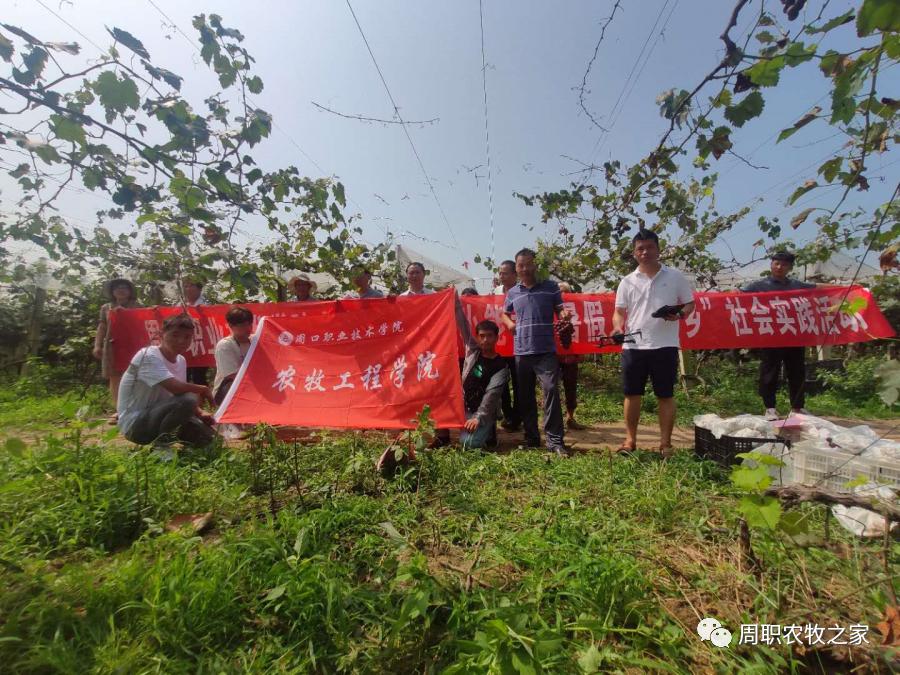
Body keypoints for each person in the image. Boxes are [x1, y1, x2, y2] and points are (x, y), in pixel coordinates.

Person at [612, 229, 695, 456]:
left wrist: (679, 314)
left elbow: (689, 304)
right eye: (640, 248)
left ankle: (665, 444)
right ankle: (630, 441)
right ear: (634, 253)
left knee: (665, 395)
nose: (645, 252)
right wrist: (618, 327)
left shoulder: (675, 276)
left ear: (658, 249)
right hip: (633, 346)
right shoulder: (627, 281)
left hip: (665, 345)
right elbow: (619, 312)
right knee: (632, 394)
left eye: (649, 247)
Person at [500, 248, 572, 457]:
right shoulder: (513, 292)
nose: (525, 269)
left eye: (528, 264)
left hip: (545, 350)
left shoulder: (550, 287)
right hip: (522, 351)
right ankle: (532, 438)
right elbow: (504, 313)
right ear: (517, 268)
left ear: (536, 265)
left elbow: (559, 308)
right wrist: (509, 324)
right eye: (520, 265)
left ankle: (555, 441)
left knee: (551, 390)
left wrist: (564, 314)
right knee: (525, 396)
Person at [117, 313, 217, 448]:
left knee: (211, 441)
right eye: (175, 335)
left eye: (187, 337)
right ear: (161, 334)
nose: (181, 341)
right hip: (135, 424)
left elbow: (178, 395)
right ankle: (162, 448)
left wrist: (200, 413)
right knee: (188, 400)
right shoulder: (148, 355)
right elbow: (175, 388)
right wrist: (203, 389)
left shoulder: (181, 360)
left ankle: (181, 448)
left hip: (160, 415)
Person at [741, 251, 817, 420]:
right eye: (776, 263)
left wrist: (851, 287)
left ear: (790, 267)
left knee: (797, 372)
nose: (779, 267)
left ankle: (797, 408)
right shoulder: (759, 285)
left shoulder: (796, 285)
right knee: (769, 372)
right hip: (770, 336)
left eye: (784, 264)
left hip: (794, 335)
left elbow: (817, 288)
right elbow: (736, 294)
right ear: (771, 265)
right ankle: (770, 408)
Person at [93, 278, 141, 422]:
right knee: (114, 378)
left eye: (124, 287)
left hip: (133, 345)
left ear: (130, 291)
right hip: (112, 346)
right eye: (117, 288)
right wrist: (97, 345)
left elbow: (142, 323)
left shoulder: (137, 306)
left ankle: (135, 408)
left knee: (135, 377)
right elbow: (102, 327)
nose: (121, 290)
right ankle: (119, 410)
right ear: (112, 292)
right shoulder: (106, 308)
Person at [458, 317, 509, 450]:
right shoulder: (473, 352)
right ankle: (443, 438)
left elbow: (492, 395)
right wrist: (455, 305)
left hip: (484, 411)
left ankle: (490, 430)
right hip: (464, 407)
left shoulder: (501, 366)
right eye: (482, 336)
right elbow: (463, 326)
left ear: (496, 338)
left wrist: (478, 418)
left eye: (489, 336)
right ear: (477, 337)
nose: (485, 340)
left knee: (468, 443)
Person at [494, 260, 521, 432]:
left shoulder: (521, 291)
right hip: (500, 346)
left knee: (519, 383)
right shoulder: (495, 292)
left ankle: (517, 417)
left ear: (514, 274)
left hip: (518, 346)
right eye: (500, 273)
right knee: (501, 383)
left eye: (505, 273)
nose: (501, 276)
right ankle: (508, 414)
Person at [556, 282, 587, 430]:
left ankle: (570, 417)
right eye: (560, 292)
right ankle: (554, 418)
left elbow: (584, 330)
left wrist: (582, 351)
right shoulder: (550, 308)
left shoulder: (578, 309)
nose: (563, 295)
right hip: (554, 355)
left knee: (571, 387)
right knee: (551, 387)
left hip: (571, 356)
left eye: (565, 292)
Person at [213, 306, 254, 405]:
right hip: (227, 389)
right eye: (243, 325)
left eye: (249, 324)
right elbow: (232, 376)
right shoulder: (225, 345)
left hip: (251, 385)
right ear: (231, 326)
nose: (248, 328)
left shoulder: (255, 341)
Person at [181, 278, 209, 386]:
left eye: (191, 285)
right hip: (184, 345)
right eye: (186, 286)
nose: (188, 289)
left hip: (201, 345)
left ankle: (203, 396)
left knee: (199, 376)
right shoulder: (180, 304)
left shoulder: (207, 304)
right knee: (183, 374)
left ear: (199, 289)